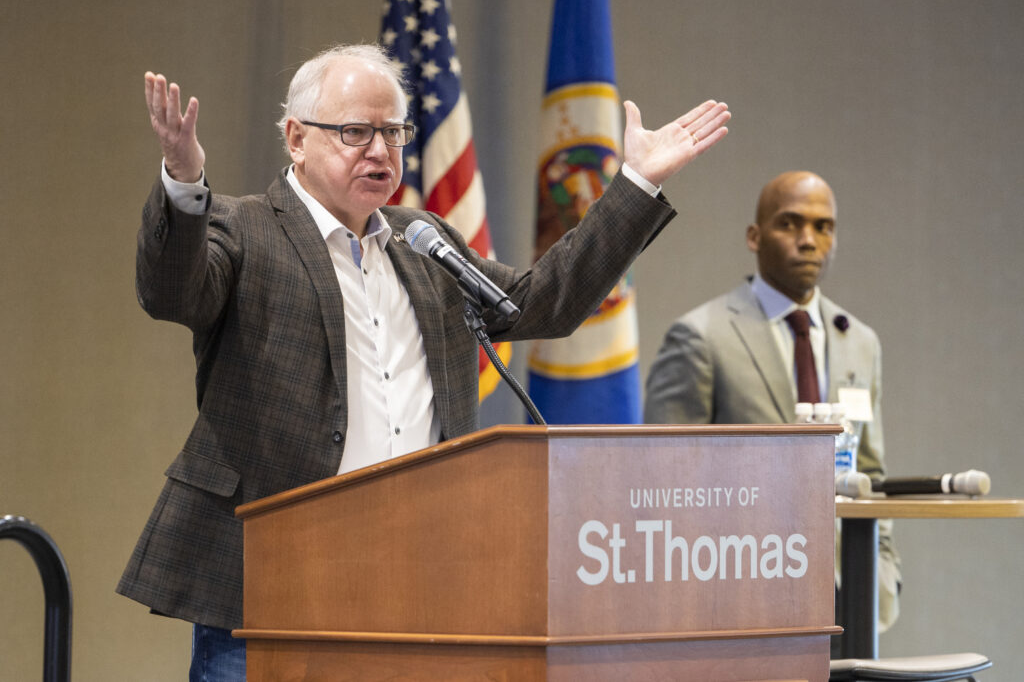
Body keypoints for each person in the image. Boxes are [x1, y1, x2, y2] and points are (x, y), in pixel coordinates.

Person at [118, 43, 730, 680]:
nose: (380, 151)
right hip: (269, 583)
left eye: (394, 132)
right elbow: (171, 290)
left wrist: (636, 184)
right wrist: (185, 184)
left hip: (416, 579)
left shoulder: (424, 240)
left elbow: (540, 304)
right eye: (356, 131)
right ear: (296, 139)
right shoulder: (242, 228)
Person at [644, 171, 901, 635]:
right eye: (791, 224)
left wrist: (885, 572)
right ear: (754, 236)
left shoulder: (860, 341)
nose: (809, 241)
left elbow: (871, 473)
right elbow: (667, 487)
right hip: (738, 600)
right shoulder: (702, 336)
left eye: (824, 227)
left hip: (853, 597)